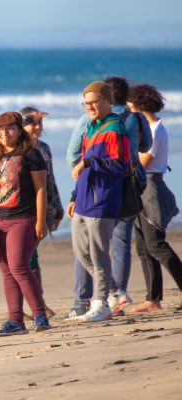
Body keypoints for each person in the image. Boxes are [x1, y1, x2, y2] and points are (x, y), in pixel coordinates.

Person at [64, 76, 152, 319]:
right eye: (86, 103)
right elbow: (82, 165)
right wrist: (74, 195)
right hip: (83, 199)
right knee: (81, 251)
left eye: (94, 102)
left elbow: (121, 165)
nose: (89, 107)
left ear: (107, 101)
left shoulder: (114, 128)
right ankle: (114, 292)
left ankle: (100, 304)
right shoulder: (92, 126)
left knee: (99, 254)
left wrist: (90, 161)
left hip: (102, 200)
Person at [0, 111, 51, 336]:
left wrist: (41, 220)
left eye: (9, 129)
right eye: (0, 130)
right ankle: (15, 321)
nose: (4, 134)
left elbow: (41, 189)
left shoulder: (31, 155)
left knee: (19, 266)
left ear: (19, 130)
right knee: (7, 272)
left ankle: (40, 315)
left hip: (23, 219)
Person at [126, 84, 182, 313]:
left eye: (130, 106)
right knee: (143, 247)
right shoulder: (151, 127)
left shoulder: (155, 129)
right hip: (142, 189)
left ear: (139, 105)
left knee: (156, 245)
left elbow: (143, 163)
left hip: (151, 189)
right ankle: (153, 299)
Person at [19, 107, 63, 318]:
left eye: (39, 123)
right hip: (20, 211)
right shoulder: (15, 149)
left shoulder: (44, 148)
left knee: (30, 257)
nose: (37, 127)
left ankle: (35, 304)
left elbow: (51, 180)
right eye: (32, 123)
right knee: (27, 258)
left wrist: (57, 209)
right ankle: (34, 306)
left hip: (42, 209)